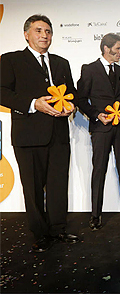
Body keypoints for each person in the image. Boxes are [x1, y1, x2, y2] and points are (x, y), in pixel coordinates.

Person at [0, 14, 79, 252]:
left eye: (48, 31)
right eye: (38, 30)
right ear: (26, 34)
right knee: (32, 188)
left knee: (57, 184)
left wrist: (72, 106)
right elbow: (1, 92)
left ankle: (58, 229)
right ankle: (39, 233)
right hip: (28, 135)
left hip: (58, 134)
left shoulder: (61, 62)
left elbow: (72, 91)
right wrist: (34, 103)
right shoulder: (11, 60)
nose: (44, 35)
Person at [76, 33, 120, 230]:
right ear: (106, 48)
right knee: (99, 170)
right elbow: (81, 99)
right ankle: (95, 215)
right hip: (101, 128)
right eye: (117, 48)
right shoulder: (89, 69)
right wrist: (96, 115)